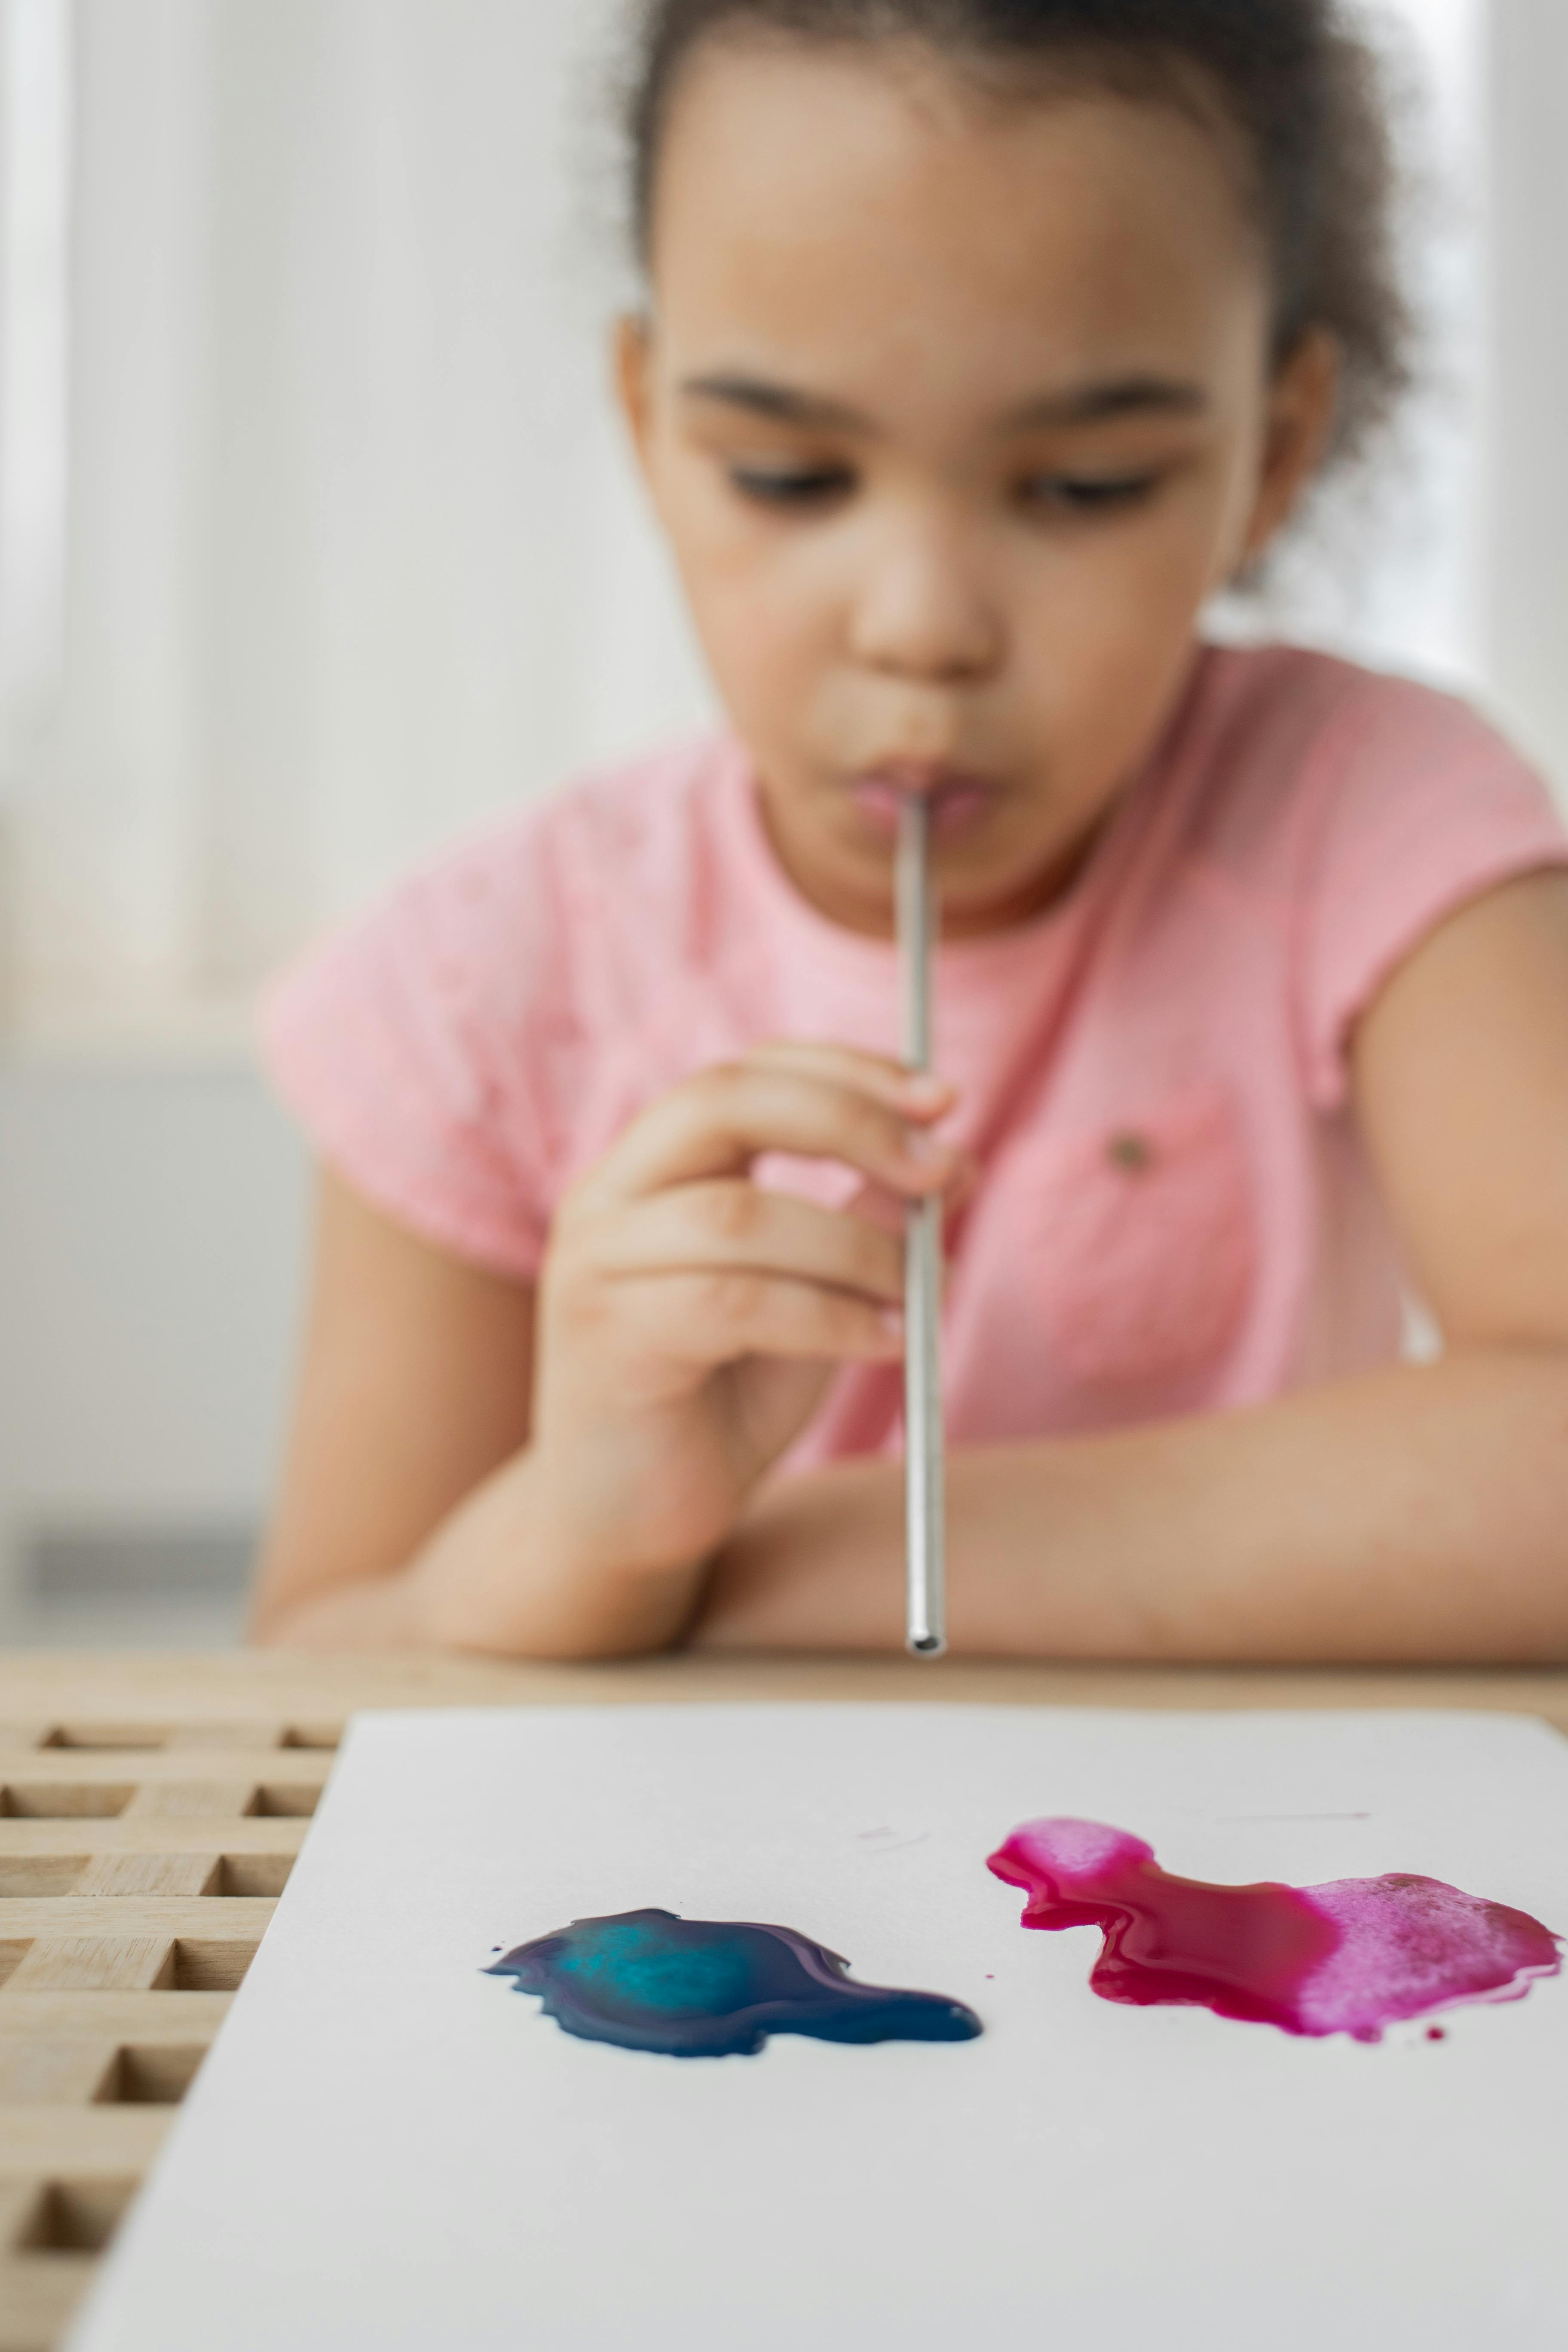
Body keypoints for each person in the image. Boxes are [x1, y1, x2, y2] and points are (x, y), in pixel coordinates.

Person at [252, 0, 1568, 1663]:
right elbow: (310, 1668)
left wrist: (793, 1564)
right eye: (792, 476)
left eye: (1085, 487)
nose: (923, 624)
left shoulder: (1373, 818)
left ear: (1273, 454)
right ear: (651, 424)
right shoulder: (476, 981)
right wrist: (593, 1531)